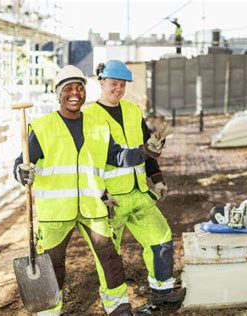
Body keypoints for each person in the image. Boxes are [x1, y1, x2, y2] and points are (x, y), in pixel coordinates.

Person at [14, 65, 169, 315]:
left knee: (110, 258)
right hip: (55, 213)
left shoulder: (97, 125)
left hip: (92, 207)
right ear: (59, 94)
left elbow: (118, 156)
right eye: (68, 88)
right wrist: (22, 172)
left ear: (85, 92)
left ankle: (118, 306)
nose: (75, 93)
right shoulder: (42, 127)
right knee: (54, 266)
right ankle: (49, 312)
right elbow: (22, 163)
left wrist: (144, 152)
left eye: (79, 87)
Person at [83, 60, 185, 306]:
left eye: (122, 85)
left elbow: (147, 149)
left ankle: (162, 290)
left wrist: (157, 178)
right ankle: (115, 304)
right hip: (110, 199)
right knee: (108, 254)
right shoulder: (90, 117)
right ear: (102, 83)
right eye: (113, 84)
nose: (118, 89)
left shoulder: (132, 111)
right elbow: (108, 156)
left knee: (160, 237)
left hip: (139, 193)